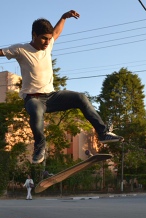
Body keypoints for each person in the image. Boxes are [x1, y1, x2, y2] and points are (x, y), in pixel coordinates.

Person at [0, 10, 123, 164]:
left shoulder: (49, 44)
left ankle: (103, 133)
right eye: (43, 39)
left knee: (81, 98)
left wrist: (64, 17)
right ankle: (39, 148)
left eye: (49, 39)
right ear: (34, 35)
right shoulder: (20, 49)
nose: (46, 43)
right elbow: (1, 52)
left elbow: (57, 31)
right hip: (33, 99)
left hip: (52, 97)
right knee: (37, 113)